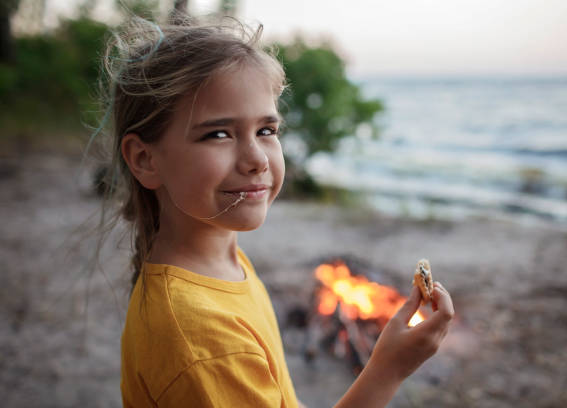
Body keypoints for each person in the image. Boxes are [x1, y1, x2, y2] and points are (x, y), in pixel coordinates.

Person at [98, 16, 454, 408]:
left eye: (266, 131)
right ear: (145, 159)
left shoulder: (225, 266)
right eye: (218, 134)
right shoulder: (200, 336)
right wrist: (388, 369)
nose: (256, 159)